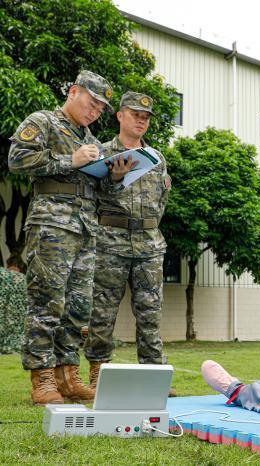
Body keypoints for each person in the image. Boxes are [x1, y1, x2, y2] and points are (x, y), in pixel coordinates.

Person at [8, 70, 134, 405]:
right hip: (51, 226)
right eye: (92, 103)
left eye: (100, 108)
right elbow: (17, 159)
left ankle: (68, 376)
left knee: (78, 309)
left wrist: (116, 177)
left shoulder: (92, 140)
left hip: (84, 231)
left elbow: (99, 187)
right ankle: (42, 378)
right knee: (47, 303)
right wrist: (70, 159)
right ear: (74, 91)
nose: (95, 112)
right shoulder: (43, 121)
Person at [84, 92, 172, 389]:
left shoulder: (157, 158)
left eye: (146, 117)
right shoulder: (99, 152)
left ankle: (154, 378)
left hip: (149, 243)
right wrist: (114, 180)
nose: (141, 120)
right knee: (102, 310)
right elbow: (91, 196)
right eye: (135, 114)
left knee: (150, 311)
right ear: (120, 115)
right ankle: (98, 373)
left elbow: (162, 198)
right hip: (111, 241)